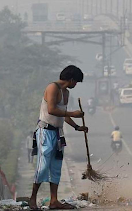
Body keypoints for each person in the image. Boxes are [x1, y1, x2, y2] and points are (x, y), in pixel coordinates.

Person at [29, 65, 88, 210]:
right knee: (43, 166)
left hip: (57, 133)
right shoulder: (52, 88)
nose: (76, 85)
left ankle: (54, 201)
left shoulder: (66, 93)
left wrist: (77, 126)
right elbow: (52, 110)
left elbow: (63, 114)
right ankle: (32, 198)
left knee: (56, 167)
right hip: (45, 131)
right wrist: (73, 113)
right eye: (76, 82)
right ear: (71, 79)